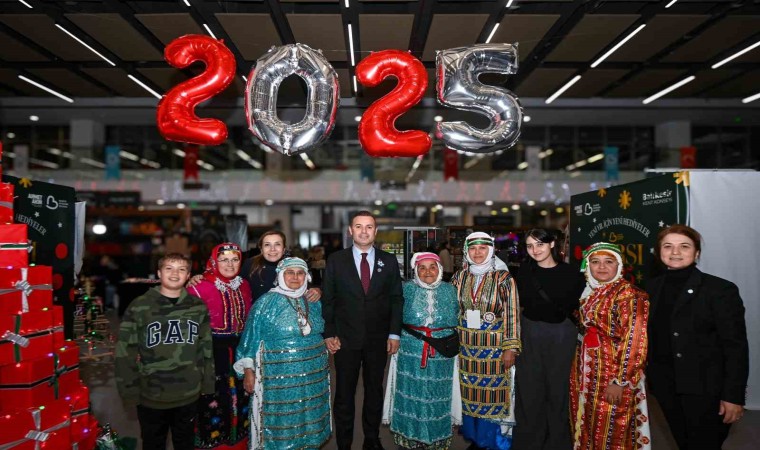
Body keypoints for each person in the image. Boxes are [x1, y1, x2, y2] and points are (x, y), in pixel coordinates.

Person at [646, 225, 748, 450]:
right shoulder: (650, 289)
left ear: (697, 253)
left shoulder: (720, 290)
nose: (675, 252)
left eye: (684, 246)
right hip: (665, 385)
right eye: (668, 246)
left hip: (705, 388)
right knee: (683, 441)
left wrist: (733, 395)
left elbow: (735, 347)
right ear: (658, 252)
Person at [321, 210, 404, 450]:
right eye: (359, 226)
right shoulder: (336, 260)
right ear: (350, 231)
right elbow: (329, 299)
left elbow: (396, 299)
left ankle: (371, 438)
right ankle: (344, 443)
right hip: (345, 339)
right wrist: (329, 332)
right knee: (344, 395)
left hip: (378, 340)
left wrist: (394, 333)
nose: (364, 231)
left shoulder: (388, 261)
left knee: (374, 392)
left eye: (369, 227)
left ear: (376, 231)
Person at [115, 253, 215, 450]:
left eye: (181, 269)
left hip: (189, 393)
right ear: (159, 273)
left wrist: (208, 384)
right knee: (153, 444)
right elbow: (124, 351)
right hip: (151, 394)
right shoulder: (140, 306)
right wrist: (128, 390)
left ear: (188, 275)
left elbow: (206, 347)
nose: (175, 274)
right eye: (169, 268)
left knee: (185, 443)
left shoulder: (197, 307)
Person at [234, 257, 331, 449]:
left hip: (314, 375)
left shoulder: (313, 300)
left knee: (310, 415)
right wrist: (248, 371)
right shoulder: (266, 302)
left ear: (307, 276)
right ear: (280, 275)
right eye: (289, 272)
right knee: (283, 420)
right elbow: (250, 339)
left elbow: (325, 328)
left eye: (300, 273)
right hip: (279, 379)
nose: (295, 277)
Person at [569, 242, 650, 450]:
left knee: (613, 428)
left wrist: (621, 380)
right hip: (587, 369)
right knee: (587, 421)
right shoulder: (592, 291)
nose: (602, 267)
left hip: (612, 372)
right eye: (595, 262)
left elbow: (634, 339)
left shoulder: (630, 295)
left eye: (608, 262)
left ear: (619, 265)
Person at [513, 229, 585, 450]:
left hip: (562, 336)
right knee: (529, 390)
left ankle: (558, 443)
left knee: (559, 391)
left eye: (540, 245)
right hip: (530, 334)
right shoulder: (523, 272)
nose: (535, 250)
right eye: (530, 246)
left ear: (552, 244)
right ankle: (529, 443)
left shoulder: (572, 274)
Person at [382, 252, 460, 449]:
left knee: (438, 395)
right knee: (411, 394)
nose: (427, 272)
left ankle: (437, 439)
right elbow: (392, 315)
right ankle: (410, 439)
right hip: (410, 351)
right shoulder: (405, 289)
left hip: (442, 354)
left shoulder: (450, 289)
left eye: (432, 267)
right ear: (415, 270)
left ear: (440, 269)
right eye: (422, 268)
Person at [451, 231, 520, 450]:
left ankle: (493, 442)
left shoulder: (504, 278)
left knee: (493, 394)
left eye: (482, 248)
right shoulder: (459, 277)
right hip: (466, 349)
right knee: (469, 393)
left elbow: (512, 314)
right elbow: (452, 311)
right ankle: (476, 439)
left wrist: (510, 348)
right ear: (467, 252)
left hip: (494, 349)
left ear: (490, 250)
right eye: (473, 248)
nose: (477, 253)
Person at [188, 243, 253, 449]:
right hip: (211, 352)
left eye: (235, 259)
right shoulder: (198, 287)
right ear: (214, 261)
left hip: (240, 350)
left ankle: (239, 443)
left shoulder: (244, 284)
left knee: (241, 399)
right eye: (224, 259)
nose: (230, 264)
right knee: (213, 401)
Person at [240, 231, 322, 303]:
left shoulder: (294, 265)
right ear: (261, 249)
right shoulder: (250, 264)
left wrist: (317, 290)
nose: (273, 249)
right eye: (267, 245)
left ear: (284, 249)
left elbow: (309, 286)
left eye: (277, 244)